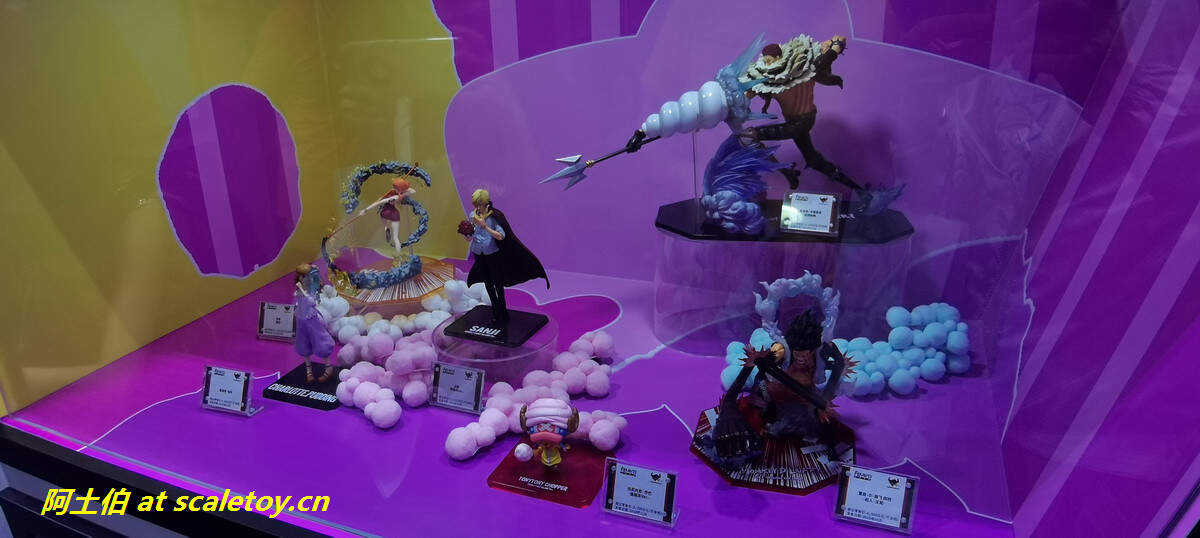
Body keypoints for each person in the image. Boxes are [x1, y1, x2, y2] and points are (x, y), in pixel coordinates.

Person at [740, 35, 860, 192]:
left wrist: (835, 46)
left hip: (802, 122)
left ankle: (786, 172)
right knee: (813, 159)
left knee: (748, 136)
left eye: (771, 60)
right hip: (794, 121)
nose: (769, 64)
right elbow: (746, 94)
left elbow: (838, 41)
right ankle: (861, 192)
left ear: (779, 56)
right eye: (766, 61)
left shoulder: (805, 65)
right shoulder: (765, 77)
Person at [460, 189, 549, 323]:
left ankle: (503, 312)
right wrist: (467, 234)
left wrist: (485, 227)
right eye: (476, 204)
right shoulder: (473, 215)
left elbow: (501, 236)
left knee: (498, 284)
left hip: (492, 253)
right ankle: (496, 312)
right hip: (478, 252)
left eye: (480, 204)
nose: (478, 207)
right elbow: (471, 237)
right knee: (488, 284)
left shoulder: (494, 216)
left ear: (486, 203)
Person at [293, 264, 335, 383]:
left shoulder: (312, 289)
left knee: (320, 341)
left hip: (312, 320)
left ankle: (328, 367)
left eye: (305, 276)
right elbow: (297, 299)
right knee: (303, 343)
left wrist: (302, 290)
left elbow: (311, 302)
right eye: (301, 276)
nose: (302, 279)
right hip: (301, 320)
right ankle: (309, 370)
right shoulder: (299, 290)